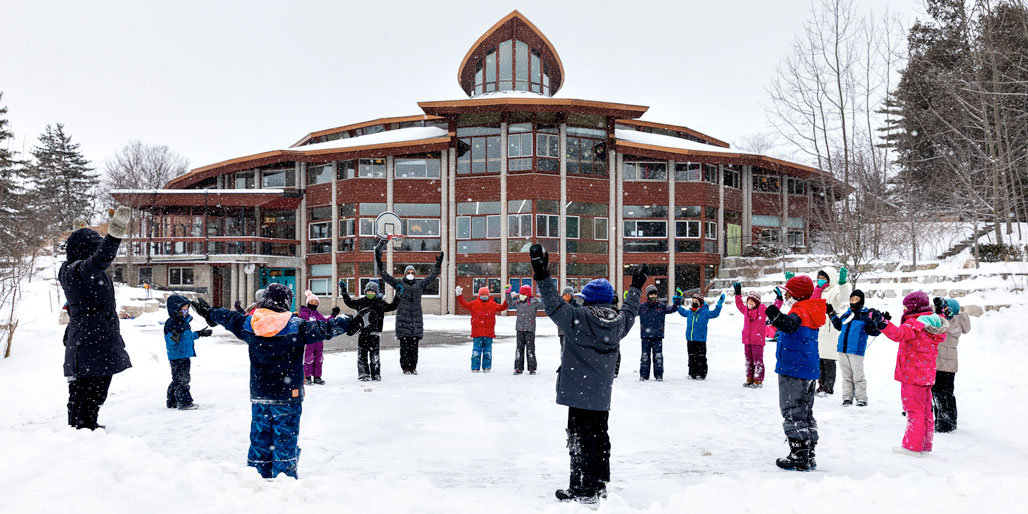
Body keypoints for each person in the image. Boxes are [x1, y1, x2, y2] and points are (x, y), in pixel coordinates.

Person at [194, 284, 365, 479]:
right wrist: (349, 322)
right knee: (284, 442)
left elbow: (229, 317)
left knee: (260, 442)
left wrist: (209, 312)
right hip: (287, 396)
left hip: (260, 395)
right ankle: (284, 482)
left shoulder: (250, 324)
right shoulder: (297, 326)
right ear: (286, 302)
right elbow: (325, 328)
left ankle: (256, 479)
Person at [530, 244, 643, 504]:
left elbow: (553, 305)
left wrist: (543, 275)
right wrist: (636, 287)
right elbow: (630, 310)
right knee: (600, 437)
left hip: (579, 392)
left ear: (588, 299)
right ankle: (599, 484)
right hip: (601, 394)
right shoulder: (618, 323)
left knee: (581, 440)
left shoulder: (578, 318)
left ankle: (583, 490)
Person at [59, 206, 133, 430]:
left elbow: (91, 259)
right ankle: (85, 430)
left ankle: (78, 430)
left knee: (82, 390)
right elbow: (101, 259)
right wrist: (114, 235)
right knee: (93, 391)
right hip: (92, 341)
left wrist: (78, 233)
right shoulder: (79, 271)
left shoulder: (72, 270)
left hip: (89, 338)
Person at [870, 291, 948, 456]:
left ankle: (912, 447)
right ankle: (924, 445)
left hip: (912, 375)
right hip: (926, 375)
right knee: (926, 412)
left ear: (914, 307)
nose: (904, 310)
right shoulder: (933, 322)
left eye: (906, 307)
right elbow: (940, 321)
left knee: (914, 411)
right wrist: (940, 311)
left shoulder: (916, 323)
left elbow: (898, 334)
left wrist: (882, 322)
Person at [764, 275, 826, 471]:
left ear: (796, 295)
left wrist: (777, 318)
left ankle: (799, 455)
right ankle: (809, 452)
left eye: (788, 292)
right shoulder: (811, 309)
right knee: (805, 412)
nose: (786, 295)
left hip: (794, 368)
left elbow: (789, 325)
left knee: (792, 411)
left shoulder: (799, 311)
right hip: (808, 368)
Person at [376, 241, 442, 375]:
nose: (410, 274)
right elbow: (384, 275)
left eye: (412, 272)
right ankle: (405, 368)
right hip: (403, 321)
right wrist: (378, 259)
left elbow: (432, 277)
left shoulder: (419, 285)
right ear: (405, 274)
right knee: (404, 347)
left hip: (416, 321)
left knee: (414, 348)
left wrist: (438, 266)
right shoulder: (399, 284)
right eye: (408, 272)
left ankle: (413, 367)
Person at [791, 267, 850, 396]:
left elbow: (844, 299)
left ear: (829, 279)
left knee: (828, 360)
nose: (820, 280)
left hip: (829, 328)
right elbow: (803, 301)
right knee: (818, 360)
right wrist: (792, 286)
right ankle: (821, 385)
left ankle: (828, 387)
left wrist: (842, 284)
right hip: (817, 327)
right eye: (819, 278)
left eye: (823, 278)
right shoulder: (815, 291)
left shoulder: (834, 291)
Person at [826, 289, 879, 406]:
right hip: (842, 349)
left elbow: (873, 331)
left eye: (856, 299)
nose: (854, 302)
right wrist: (831, 313)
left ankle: (861, 398)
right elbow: (839, 326)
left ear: (861, 301)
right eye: (852, 299)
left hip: (856, 351)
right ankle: (847, 397)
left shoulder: (865, 316)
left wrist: (879, 323)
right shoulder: (846, 314)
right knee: (846, 376)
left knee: (858, 376)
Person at [341, 280, 399, 381]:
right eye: (368, 291)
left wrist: (398, 295)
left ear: (376, 293)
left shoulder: (380, 303)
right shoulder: (361, 302)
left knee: (374, 355)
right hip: (362, 333)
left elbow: (392, 306)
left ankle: (376, 374)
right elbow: (349, 302)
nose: (370, 293)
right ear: (365, 292)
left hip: (374, 334)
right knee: (362, 355)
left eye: (372, 292)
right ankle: (363, 373)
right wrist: (344, 291)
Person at [164, 294, 212, 410]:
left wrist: (200, 334)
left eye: (187, 308)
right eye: (183, 308)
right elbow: (169, 339)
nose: (186, 310)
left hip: (184, 354)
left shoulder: (183, 322)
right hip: (177, 356)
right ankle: (184, 402)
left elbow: (187, 337)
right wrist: (173, 337)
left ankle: (172, 401)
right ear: (175, 309)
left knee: (178, 379)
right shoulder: (172, 323)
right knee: (182, 380)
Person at [732, 282, 783, 388]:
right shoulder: (746, 310)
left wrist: (779, 298)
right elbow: (739, 304)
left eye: (752, 302)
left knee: (757, 361)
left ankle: (758, 381)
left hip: (757, 342)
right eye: (748, 301)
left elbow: (774, 309)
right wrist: (737, 294)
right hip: (747, 341)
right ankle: (749, 379)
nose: (750, 304)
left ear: (757, 303)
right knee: (748, 361)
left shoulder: (762, 310)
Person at [933, 297, 970, 432]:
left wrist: (949, 317)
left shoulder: (956, 322)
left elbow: (955, 330)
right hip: (936, 363)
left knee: (946, 394)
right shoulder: (940, 320)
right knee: (936, 393)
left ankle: (948, 423)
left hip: (948, 365)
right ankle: (939, 420)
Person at [455, 285, 508, 372]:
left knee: (488, 351)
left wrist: (508, 297)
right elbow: (464, 304)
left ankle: (487, 367)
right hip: (477, 334)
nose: (484, 296)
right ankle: (475, 367)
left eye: (486, 295)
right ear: (479, 295)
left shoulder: (492, 304)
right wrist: (459, 295)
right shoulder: (474, 304)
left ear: (488, 295)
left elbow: (503, 307)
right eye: (482, 295)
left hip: (489, 334)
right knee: (476, 351)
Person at [676, 292, 725, 379]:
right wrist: (677, 303)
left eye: (696, 301)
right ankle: (692, 373)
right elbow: (682, 312)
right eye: (693, 301)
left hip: (700, 339)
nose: (694, 302)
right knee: (691, 356)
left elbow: (715, 313)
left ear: (701, 302)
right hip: (690, 338)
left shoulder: (705, 312)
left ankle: (701, 374)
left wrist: (719, 304)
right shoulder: (690, 312)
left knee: (700, 357)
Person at [637, 285, 681, 381]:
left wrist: (678, 299)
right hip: (645, 336)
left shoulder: (661, 306)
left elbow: (673, 309)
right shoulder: (642, 307)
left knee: (658, 357)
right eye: (651, 294)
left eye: (654, 294)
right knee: (645, 356)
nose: (653, 296)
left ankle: (659, 375)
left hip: (658, 336)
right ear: (647, 295)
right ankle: (643, 375)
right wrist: (629, 300)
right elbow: (632, 311)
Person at [297, 290, 339, 385]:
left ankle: (317, 377)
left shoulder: (318, 314)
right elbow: (300, 325)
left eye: (315, 302)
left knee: (319, 359)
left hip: (319, 341)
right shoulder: (304, 314)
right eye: (311, 302)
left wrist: (333, 315)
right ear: (308, 303)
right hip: (309, 341)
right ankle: (307, 377)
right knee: (308, 359)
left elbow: (326, 322)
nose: (313, 304)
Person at [508, 284, 543, 375]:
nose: (521, 296)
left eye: (523, 294)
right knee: (519, 349)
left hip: (530, 330)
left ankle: (532, 368)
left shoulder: (534, 303)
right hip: (520, 329)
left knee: (530, 349)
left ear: (528, 295)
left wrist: (544, 294)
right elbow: (510, 303)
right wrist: (508, 293)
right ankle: (518, 368)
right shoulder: (518, 302)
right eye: (520, 294)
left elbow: (545, 306)